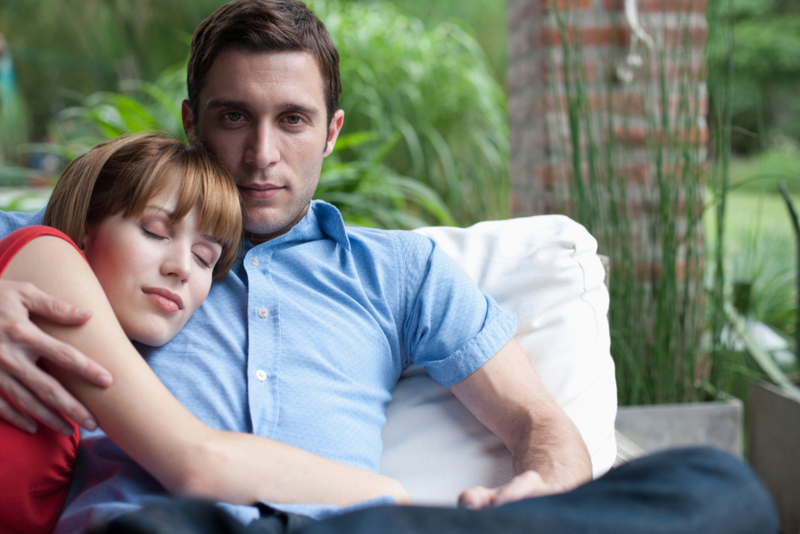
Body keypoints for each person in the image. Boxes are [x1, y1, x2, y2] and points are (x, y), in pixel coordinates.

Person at [0, 1, 779, 533]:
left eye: (293, 120)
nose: (261, 155)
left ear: (332, 131)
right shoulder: (107, 234)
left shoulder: (401, 271)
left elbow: (538, 421)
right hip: (159, 520)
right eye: (233, 116)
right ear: (191, 121)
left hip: (354, 528)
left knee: (719, 485)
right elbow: (32, 247)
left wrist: (541, 490)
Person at [0, 133, 410, 534]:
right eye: (155, 232)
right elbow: (197, 462)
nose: (181, 267)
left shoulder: (83, 405)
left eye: (203, 258)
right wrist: (392, 496)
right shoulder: (45, 254)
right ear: (87, 227)